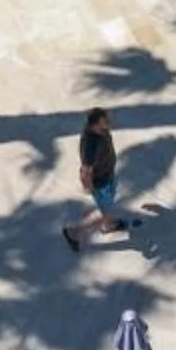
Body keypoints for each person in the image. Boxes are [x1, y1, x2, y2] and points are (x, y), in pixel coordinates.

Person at [64, 107, 133, 251]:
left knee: (108, 204)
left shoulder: (102, 130)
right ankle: (73, 232)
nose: (109, 121)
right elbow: (85, 170)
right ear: (95, 125)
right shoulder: (90, 145)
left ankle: (107, 225)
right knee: (105, 212)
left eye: (107, 118)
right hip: (100, 182)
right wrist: (88, 186)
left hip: (109, 175)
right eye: (105, 120)